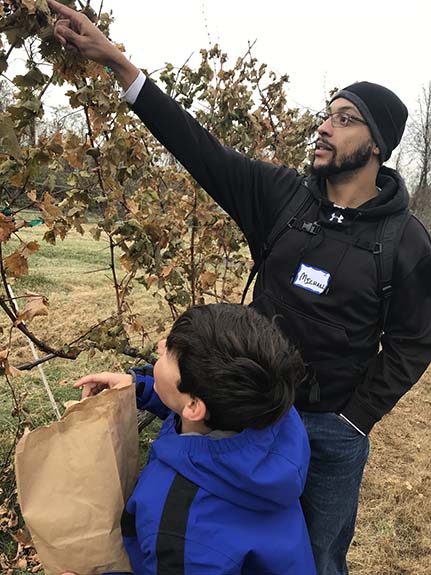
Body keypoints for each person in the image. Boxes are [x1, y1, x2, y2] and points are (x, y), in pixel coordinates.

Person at [47, 1, 431, 573]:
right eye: (326, 113)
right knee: (230, 551)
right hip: (247, 417)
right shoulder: (282, 196)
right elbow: (198, 149)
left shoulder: (406, 240)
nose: (323, 126)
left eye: (345, 118)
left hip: (331, 429)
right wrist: (117, 62)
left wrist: (356, 417)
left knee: (319, 558)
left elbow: (414, 341)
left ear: (377, 144)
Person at [71, 303, 316, 575]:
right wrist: (139, 388)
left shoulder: (183, 528)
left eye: (169, 354)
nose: (161, 345)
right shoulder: (270, 412)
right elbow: (204, 411)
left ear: (194, 406)